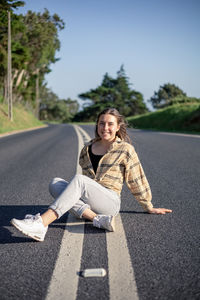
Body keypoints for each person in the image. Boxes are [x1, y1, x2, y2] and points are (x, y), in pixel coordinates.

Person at [11, 108, 172, 241]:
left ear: (117, 127)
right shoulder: (88, 148)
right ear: (97, 125)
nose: (105, 128)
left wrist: (148, 206)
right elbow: (84, 184)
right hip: (91, 200)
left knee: (79, 181)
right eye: (102, 123)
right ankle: (97, 219)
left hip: (110, 202)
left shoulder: (125, 149)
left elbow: (136, 179)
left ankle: (41, 224)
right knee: (55, 183)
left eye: (110, 124)